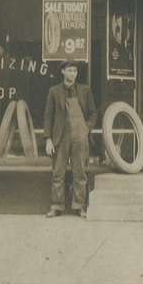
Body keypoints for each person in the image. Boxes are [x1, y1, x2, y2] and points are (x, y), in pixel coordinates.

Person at [43, 61, 97, 218]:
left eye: (74, 70)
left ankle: (80, 206)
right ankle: (56, 206)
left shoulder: (85, 90)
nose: (72, 73)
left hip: (80, 136)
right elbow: (48, 117)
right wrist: (48, 139)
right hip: (60, 137)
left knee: (79, 173)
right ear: (63, 72)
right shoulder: (54, 91)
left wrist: (86, 128)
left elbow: (93, 113)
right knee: (58, 172)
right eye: (69, 70)